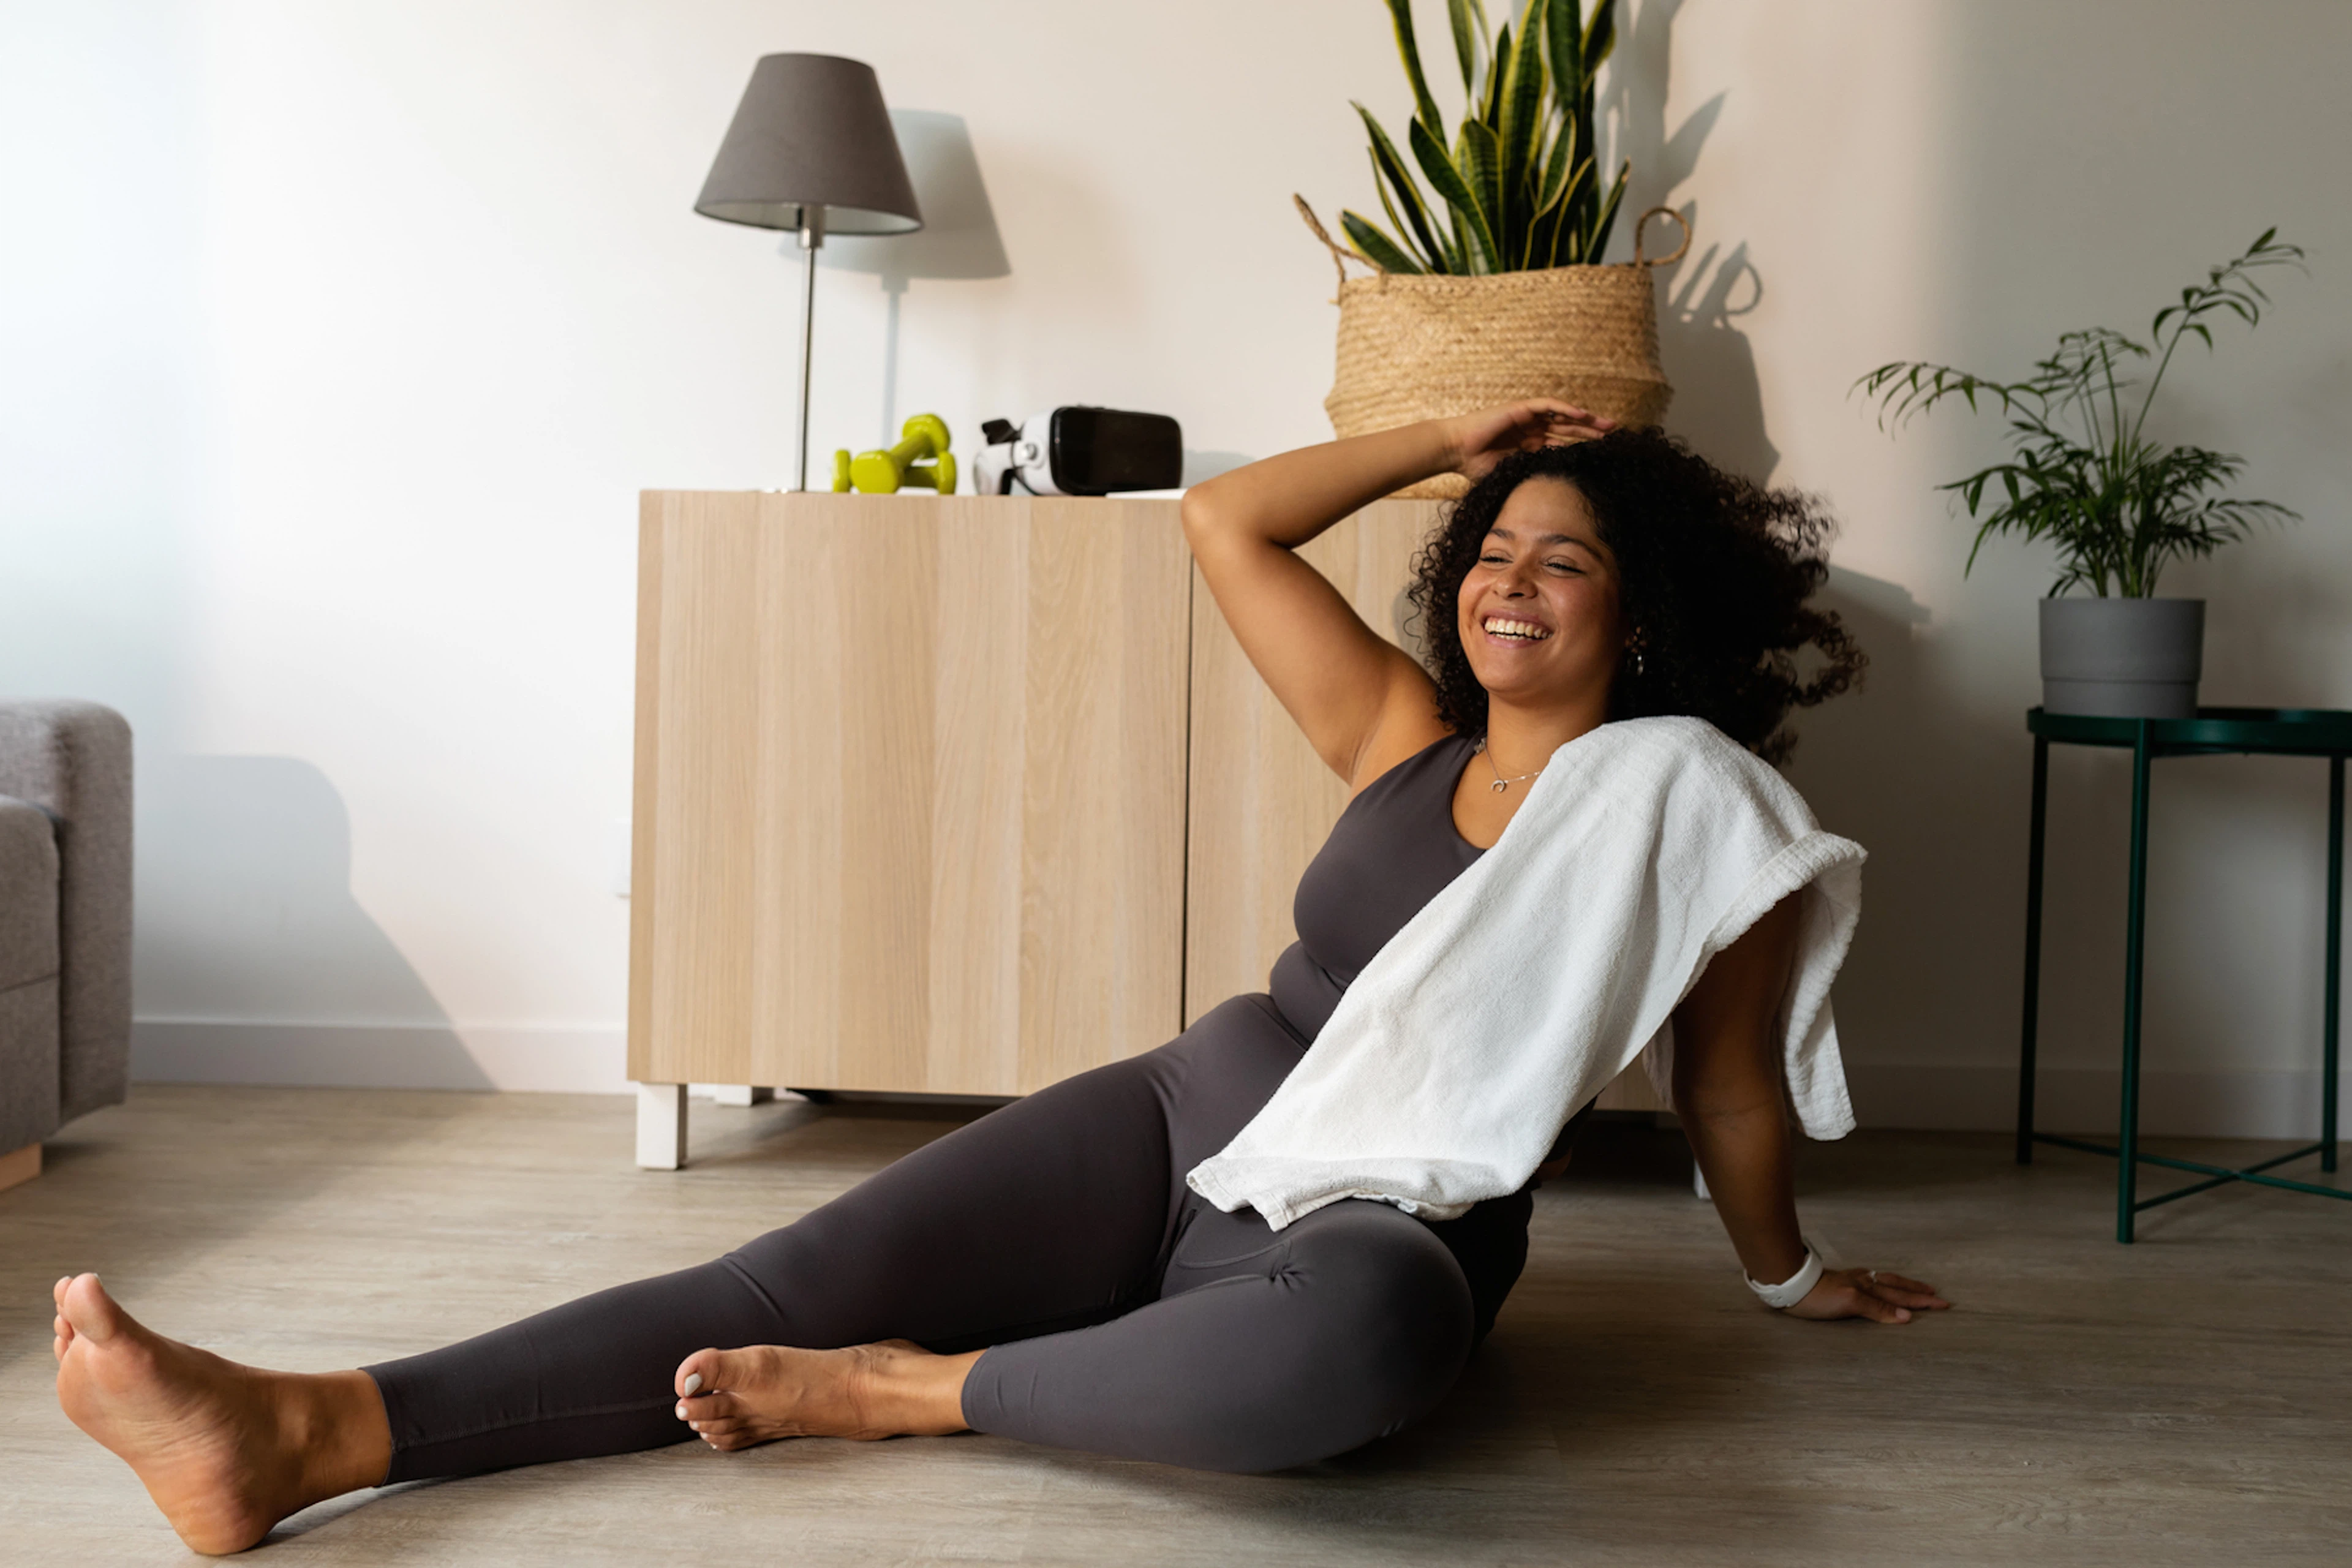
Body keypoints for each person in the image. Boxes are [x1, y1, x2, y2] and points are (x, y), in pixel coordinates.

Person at [52, 404, 1948, 1555]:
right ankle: (302, 1435)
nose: (1511, 583)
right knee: (765, 1278)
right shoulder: (1396, 733)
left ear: (1653, 613)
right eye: (1494, 551)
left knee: (1359, 1353)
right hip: (1200, 1104)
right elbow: (1230, 523)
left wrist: (1786, 1274)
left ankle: (904, 1394)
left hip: (1393, 1213)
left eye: (1571, 562)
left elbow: (1725, 1089)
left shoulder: (1696, 811)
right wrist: (1469, 441)